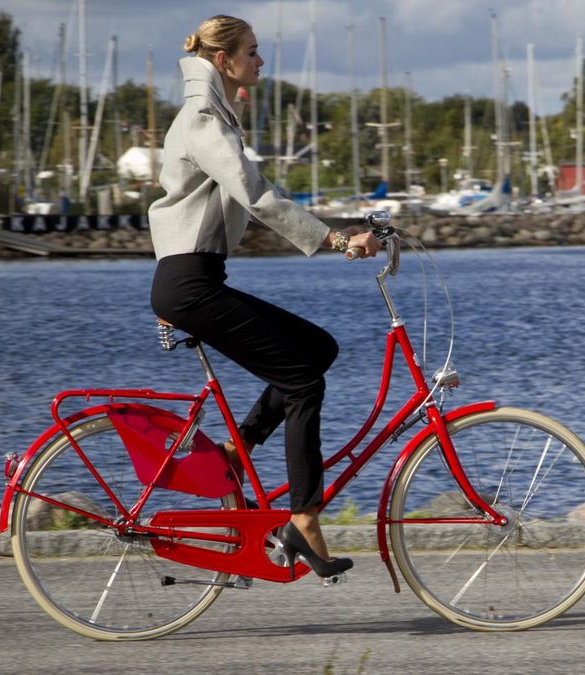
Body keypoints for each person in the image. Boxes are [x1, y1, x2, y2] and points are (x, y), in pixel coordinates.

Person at [148, 14, 379, 578]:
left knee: (317, 349)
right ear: (224, 61)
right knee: (303, 381)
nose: (261, 60)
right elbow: (256, 195)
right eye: (252, 51)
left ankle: (235, 452)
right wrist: (334, 238)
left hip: (201, 279)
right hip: (189, 285)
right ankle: (303, 519)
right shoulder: (204, 118)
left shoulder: (217, 113)